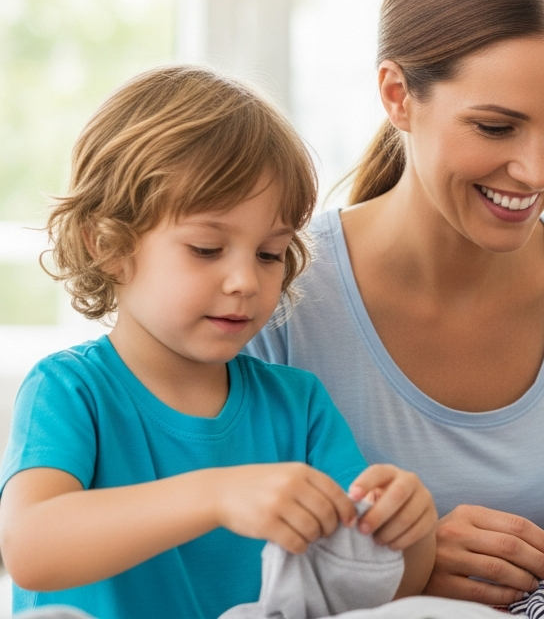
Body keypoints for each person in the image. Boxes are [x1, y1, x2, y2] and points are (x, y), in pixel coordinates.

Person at [246, 0, 544, 606]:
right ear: (397, 95)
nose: (536, 170)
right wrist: (403, 562)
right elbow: (220, 573)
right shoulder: (275, 291)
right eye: (496, 127)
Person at [0, 66, 438, 618]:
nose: (245, 281)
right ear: (107, 244)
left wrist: (411, 530)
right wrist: (215, 496)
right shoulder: (69, 390)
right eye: (207, 248)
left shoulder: (297, 406)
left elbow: (384, 589)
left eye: (269, 253)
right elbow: (30, 549)